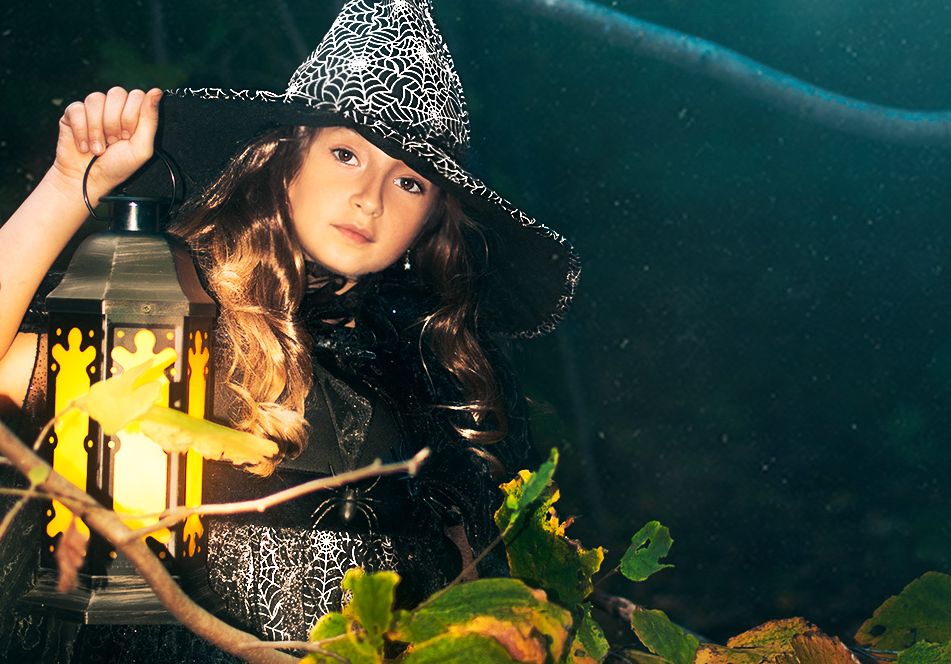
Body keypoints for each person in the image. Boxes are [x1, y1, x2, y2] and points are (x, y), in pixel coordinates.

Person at [0, 0, 580, 660]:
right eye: (345, 154)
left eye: (409, 182)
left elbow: (475, 618)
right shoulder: (158, 311)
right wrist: (66, 185)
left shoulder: (431, 386)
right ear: (283, 159)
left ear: (433, 225)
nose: (371, 198)